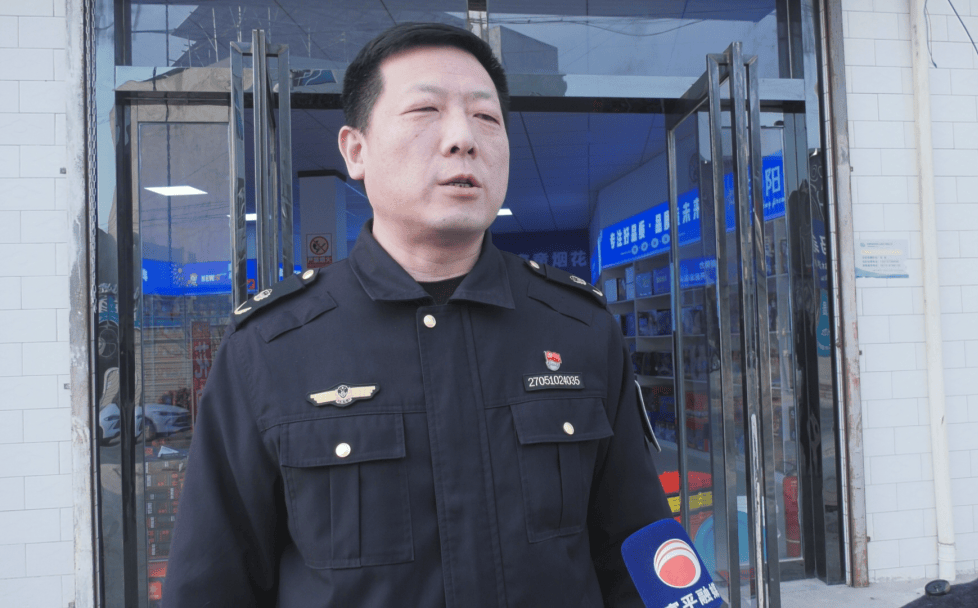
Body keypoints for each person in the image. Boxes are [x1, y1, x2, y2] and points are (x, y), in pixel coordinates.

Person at [164, 22, 670, 607]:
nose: (463, 138)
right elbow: (212, 585)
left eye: (486, 117)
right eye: (426, 110)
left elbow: (642, 558)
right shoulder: (269, 348)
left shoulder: (580, 329)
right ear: (356, 150)